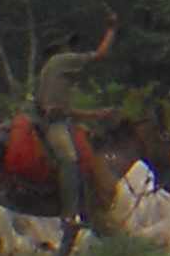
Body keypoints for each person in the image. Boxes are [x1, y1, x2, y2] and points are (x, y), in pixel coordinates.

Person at [27, 13, 118, 228]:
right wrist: (112, 29)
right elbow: (100, 54)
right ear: (61, 47)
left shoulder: (46, 69)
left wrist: (95, 114)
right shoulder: (62, 61)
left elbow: (60, 108)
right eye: (68, 44)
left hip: (51, 121)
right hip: (55, 125)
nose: (70, 48)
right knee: (70, 159)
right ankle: (69, 213)